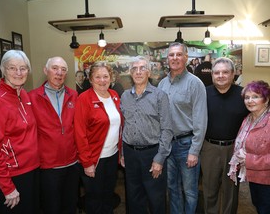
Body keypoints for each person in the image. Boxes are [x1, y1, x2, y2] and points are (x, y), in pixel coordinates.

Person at [0, 50, 40, 213]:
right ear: (3, 69)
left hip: (31, 171)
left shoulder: (24, 95)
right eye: (12, 68)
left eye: (23, 68)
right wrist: (7, 188)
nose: (18, 73)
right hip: (11, 176)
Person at [158, 42, 207, 214]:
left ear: (186, 57)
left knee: (190, 191)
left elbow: (201, 119)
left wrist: (194, 150)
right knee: (172, 188)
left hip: (187, 145)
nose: (175, 58)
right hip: (167, 146)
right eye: (171, 55)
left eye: (179, 54)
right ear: (167, 58)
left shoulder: (195, 84)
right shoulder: (162, 84)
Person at [120, 56, 173, 214]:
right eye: (134, 69)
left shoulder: (159, 96)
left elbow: (167, 129)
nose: (138, 72)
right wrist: (123, 152)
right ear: (130, 73)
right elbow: (125, 126)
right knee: (133, 197)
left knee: (155, 198)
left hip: (152, 154)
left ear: (149, 72)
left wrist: (159, 158)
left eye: (142, 68)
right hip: (130, 153)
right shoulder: (125, 96)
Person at [28, 57, 80, 214]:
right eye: (55, 68)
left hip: (72, 163)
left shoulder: (74, 95)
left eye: (63, 69)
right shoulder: (31, 97)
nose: (59, 73)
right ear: (45, 70)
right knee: (51, 207)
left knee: (70, 206)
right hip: (48, 166)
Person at [200, 57, 249, 214]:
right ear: (212, 74)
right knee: (209, 188)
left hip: (234, 149)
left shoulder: (243, 95)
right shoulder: (203, 94)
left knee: (231, 190)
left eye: (225, 72)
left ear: (233, 74)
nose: (220, 75)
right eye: (217, 72)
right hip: (209, 148)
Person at [74, 61, 123, 214]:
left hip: (112, 156)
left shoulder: (114, 96)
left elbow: (120, 127)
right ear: (90, 79)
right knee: (94, 200)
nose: (102, 80)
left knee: (108, 196)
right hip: (94, 159)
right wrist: (87, 162)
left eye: (105, 76)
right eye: (98, 77)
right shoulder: (84, 99)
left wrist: (121, 153)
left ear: (111, 77)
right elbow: (79, 133)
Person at [228, 80, 270, 214]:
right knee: (259, 206)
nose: (250, 101)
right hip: (254, 177)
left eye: (255, 96)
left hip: (267, 179)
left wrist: (249, 160)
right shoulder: (248, 119)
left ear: (266, 99)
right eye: (247, 97)